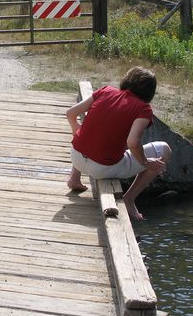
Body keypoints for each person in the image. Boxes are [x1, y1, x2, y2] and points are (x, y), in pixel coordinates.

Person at [65, 66, 172, 221]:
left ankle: (74, 178)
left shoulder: (106, 91)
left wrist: (76, 129)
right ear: (150, 92)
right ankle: (129, 199)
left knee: (91, 132)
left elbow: (70, 113)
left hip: (76, 157)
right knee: (165, 149)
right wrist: (146, 162)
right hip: (102, 168)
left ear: (126, 80)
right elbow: (132, 142)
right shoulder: (143, 109)